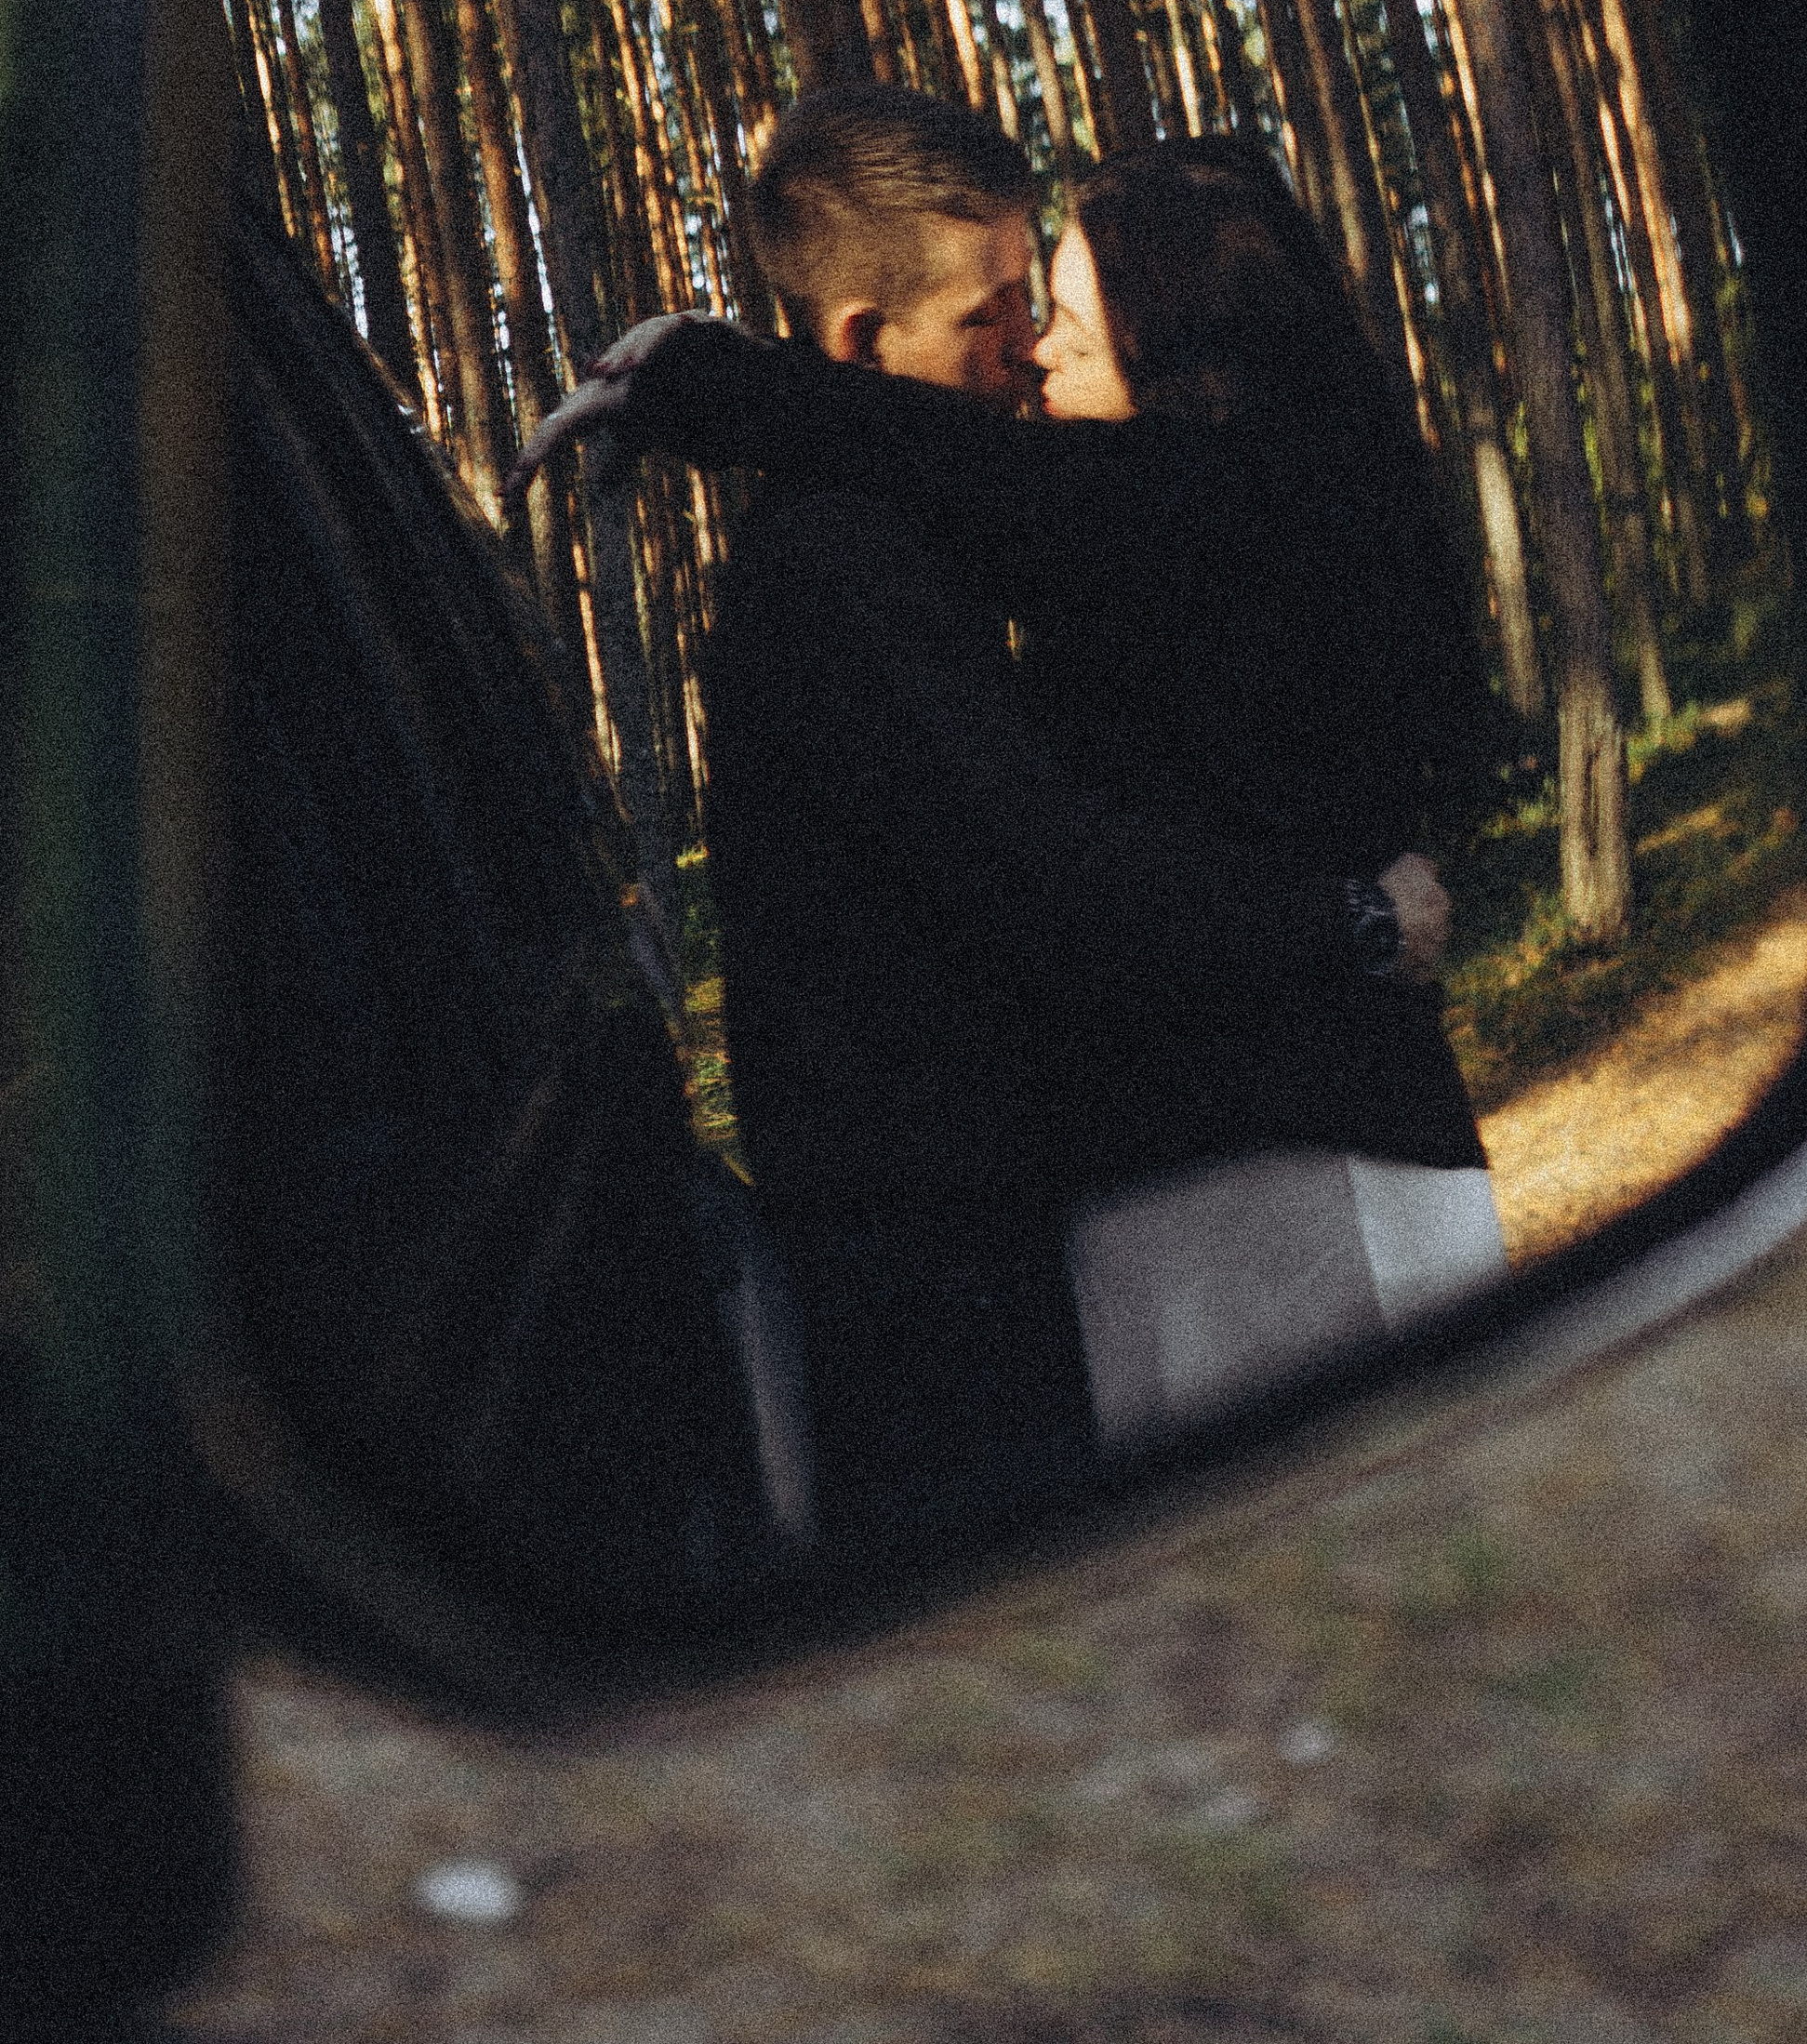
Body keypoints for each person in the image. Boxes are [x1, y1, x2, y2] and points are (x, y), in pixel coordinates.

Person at [514, 86, 1455, 1560]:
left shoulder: (1162, 501)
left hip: (1123, 1213)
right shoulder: (841, 563)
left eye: (1052, 307)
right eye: (996, 313)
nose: (1028, 348)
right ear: (861, 345)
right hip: (936, 1265)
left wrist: (712, 382)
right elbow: (1047, 873)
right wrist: (1351, 920)